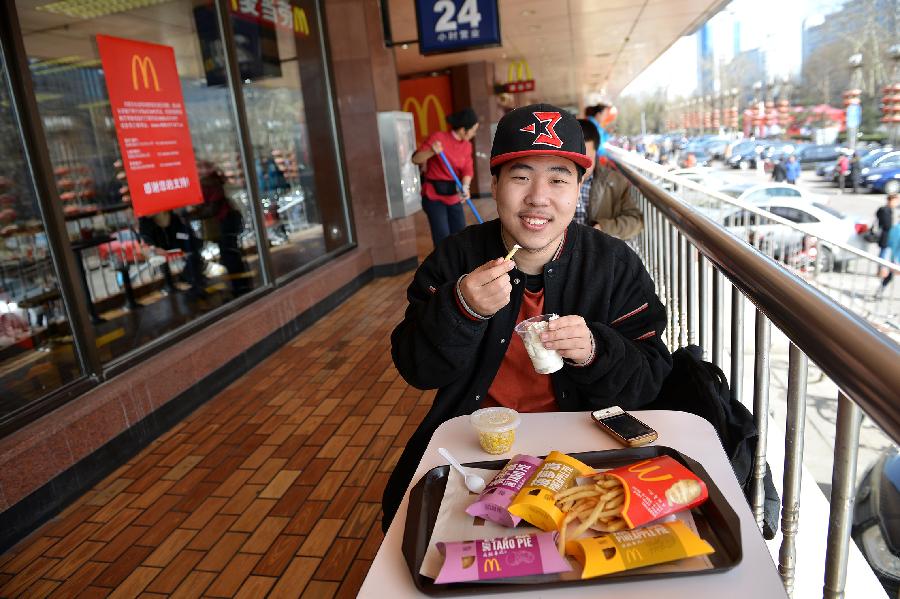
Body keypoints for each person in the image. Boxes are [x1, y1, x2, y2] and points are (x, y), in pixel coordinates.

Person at [383, 103, 672, 531]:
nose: (538, 196)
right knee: (403, 520)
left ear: (579, 187)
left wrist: (596, 349)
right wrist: (461, 308)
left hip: (587, 451)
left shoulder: (613, 265)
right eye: (520, 177)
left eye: (558, 178)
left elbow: (650, 376)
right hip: (475, 449)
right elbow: (416, 368)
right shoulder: (455, 258)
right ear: (495, 184)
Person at [412, 107, 479, 247]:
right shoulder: (438, 138)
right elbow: (416, 159)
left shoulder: (467, 146)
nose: (474, 133)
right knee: (442, 236)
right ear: (462, 130)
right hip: (433, 196)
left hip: (453, 194)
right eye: (473, 130)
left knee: (460, 233)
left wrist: (465, 186)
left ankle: (460, 265)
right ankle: (444, 267)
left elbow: (468, 168)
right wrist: (431, 151)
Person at [574, 119, 599, 225]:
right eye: (576, 159)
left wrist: (602, 226)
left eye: (587, 159)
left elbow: (635, 219)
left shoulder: (614, 182)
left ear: (596, 154)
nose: (581, 166)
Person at [875, 220, 900, 298]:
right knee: (889, 275)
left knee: (889, 276)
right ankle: (880, 290)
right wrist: (895, 260)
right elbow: (892, 245)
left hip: (894, 257)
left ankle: (880, 290)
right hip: (895, 258)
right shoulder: (897, 229)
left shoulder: (895, 227)